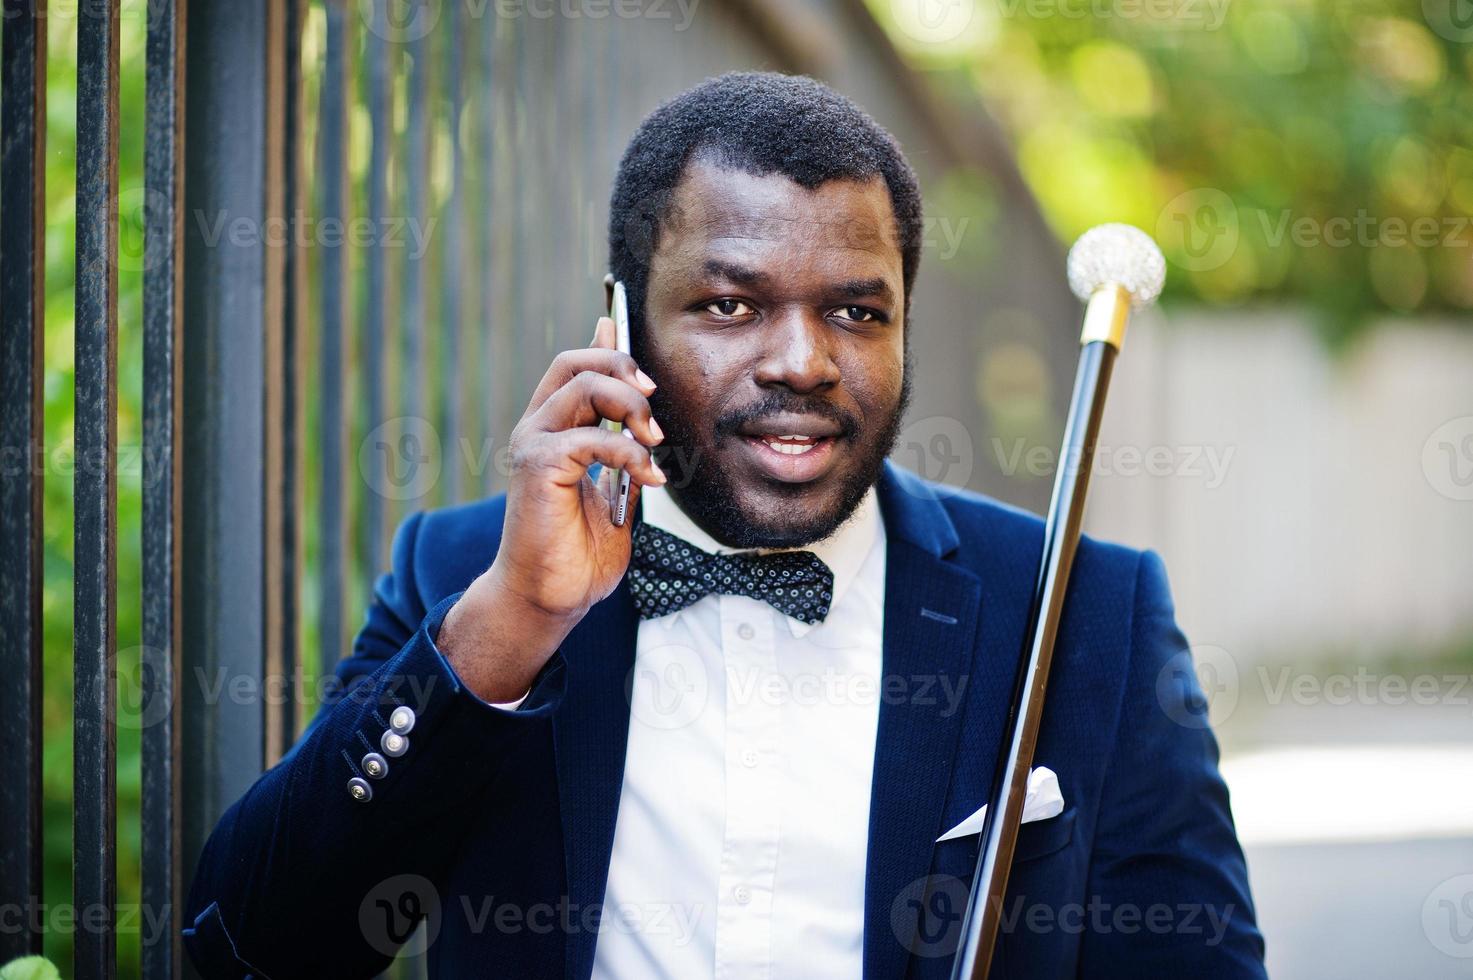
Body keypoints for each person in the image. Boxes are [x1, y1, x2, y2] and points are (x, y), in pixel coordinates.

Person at [183, 71, 1265, 979]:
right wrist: (508, 626)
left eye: (857, 309)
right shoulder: (469, 579)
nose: (803, 360)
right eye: (729, 305)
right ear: (622, 325)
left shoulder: (1085, 606)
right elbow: (250, 945)